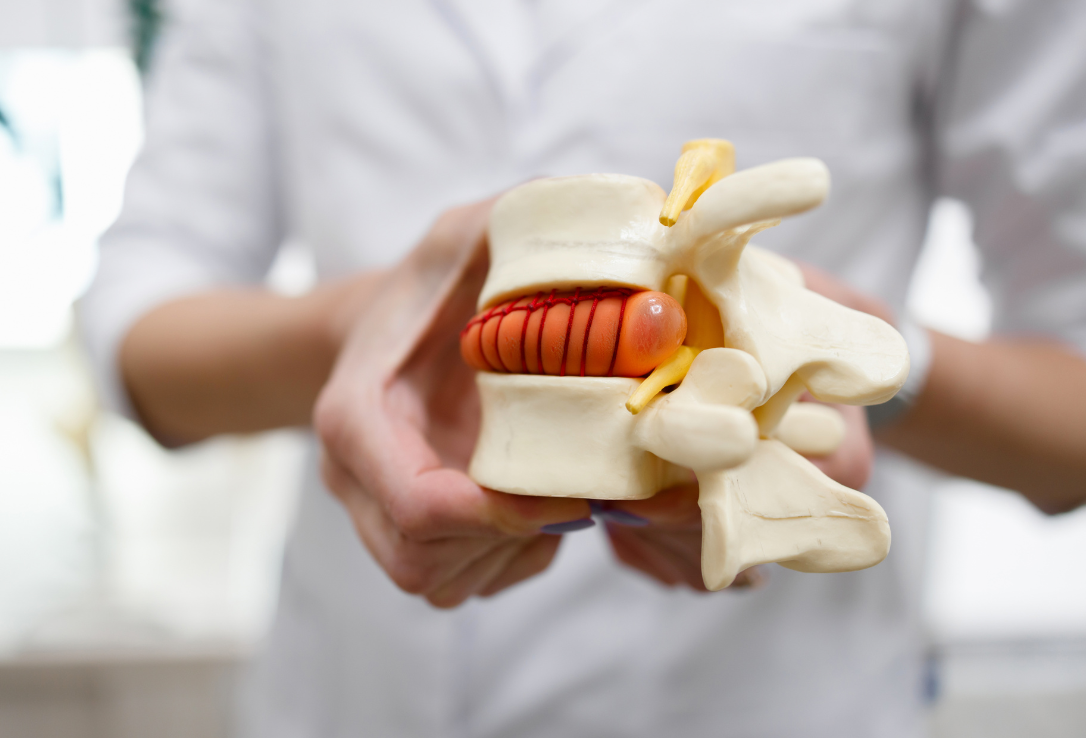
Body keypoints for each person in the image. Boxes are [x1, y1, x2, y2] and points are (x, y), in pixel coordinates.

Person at [79, 1, 1086, 735]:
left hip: (775, 702)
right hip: (352, 694)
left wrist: (839, 350)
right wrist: (359, 327)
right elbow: (141, 314)